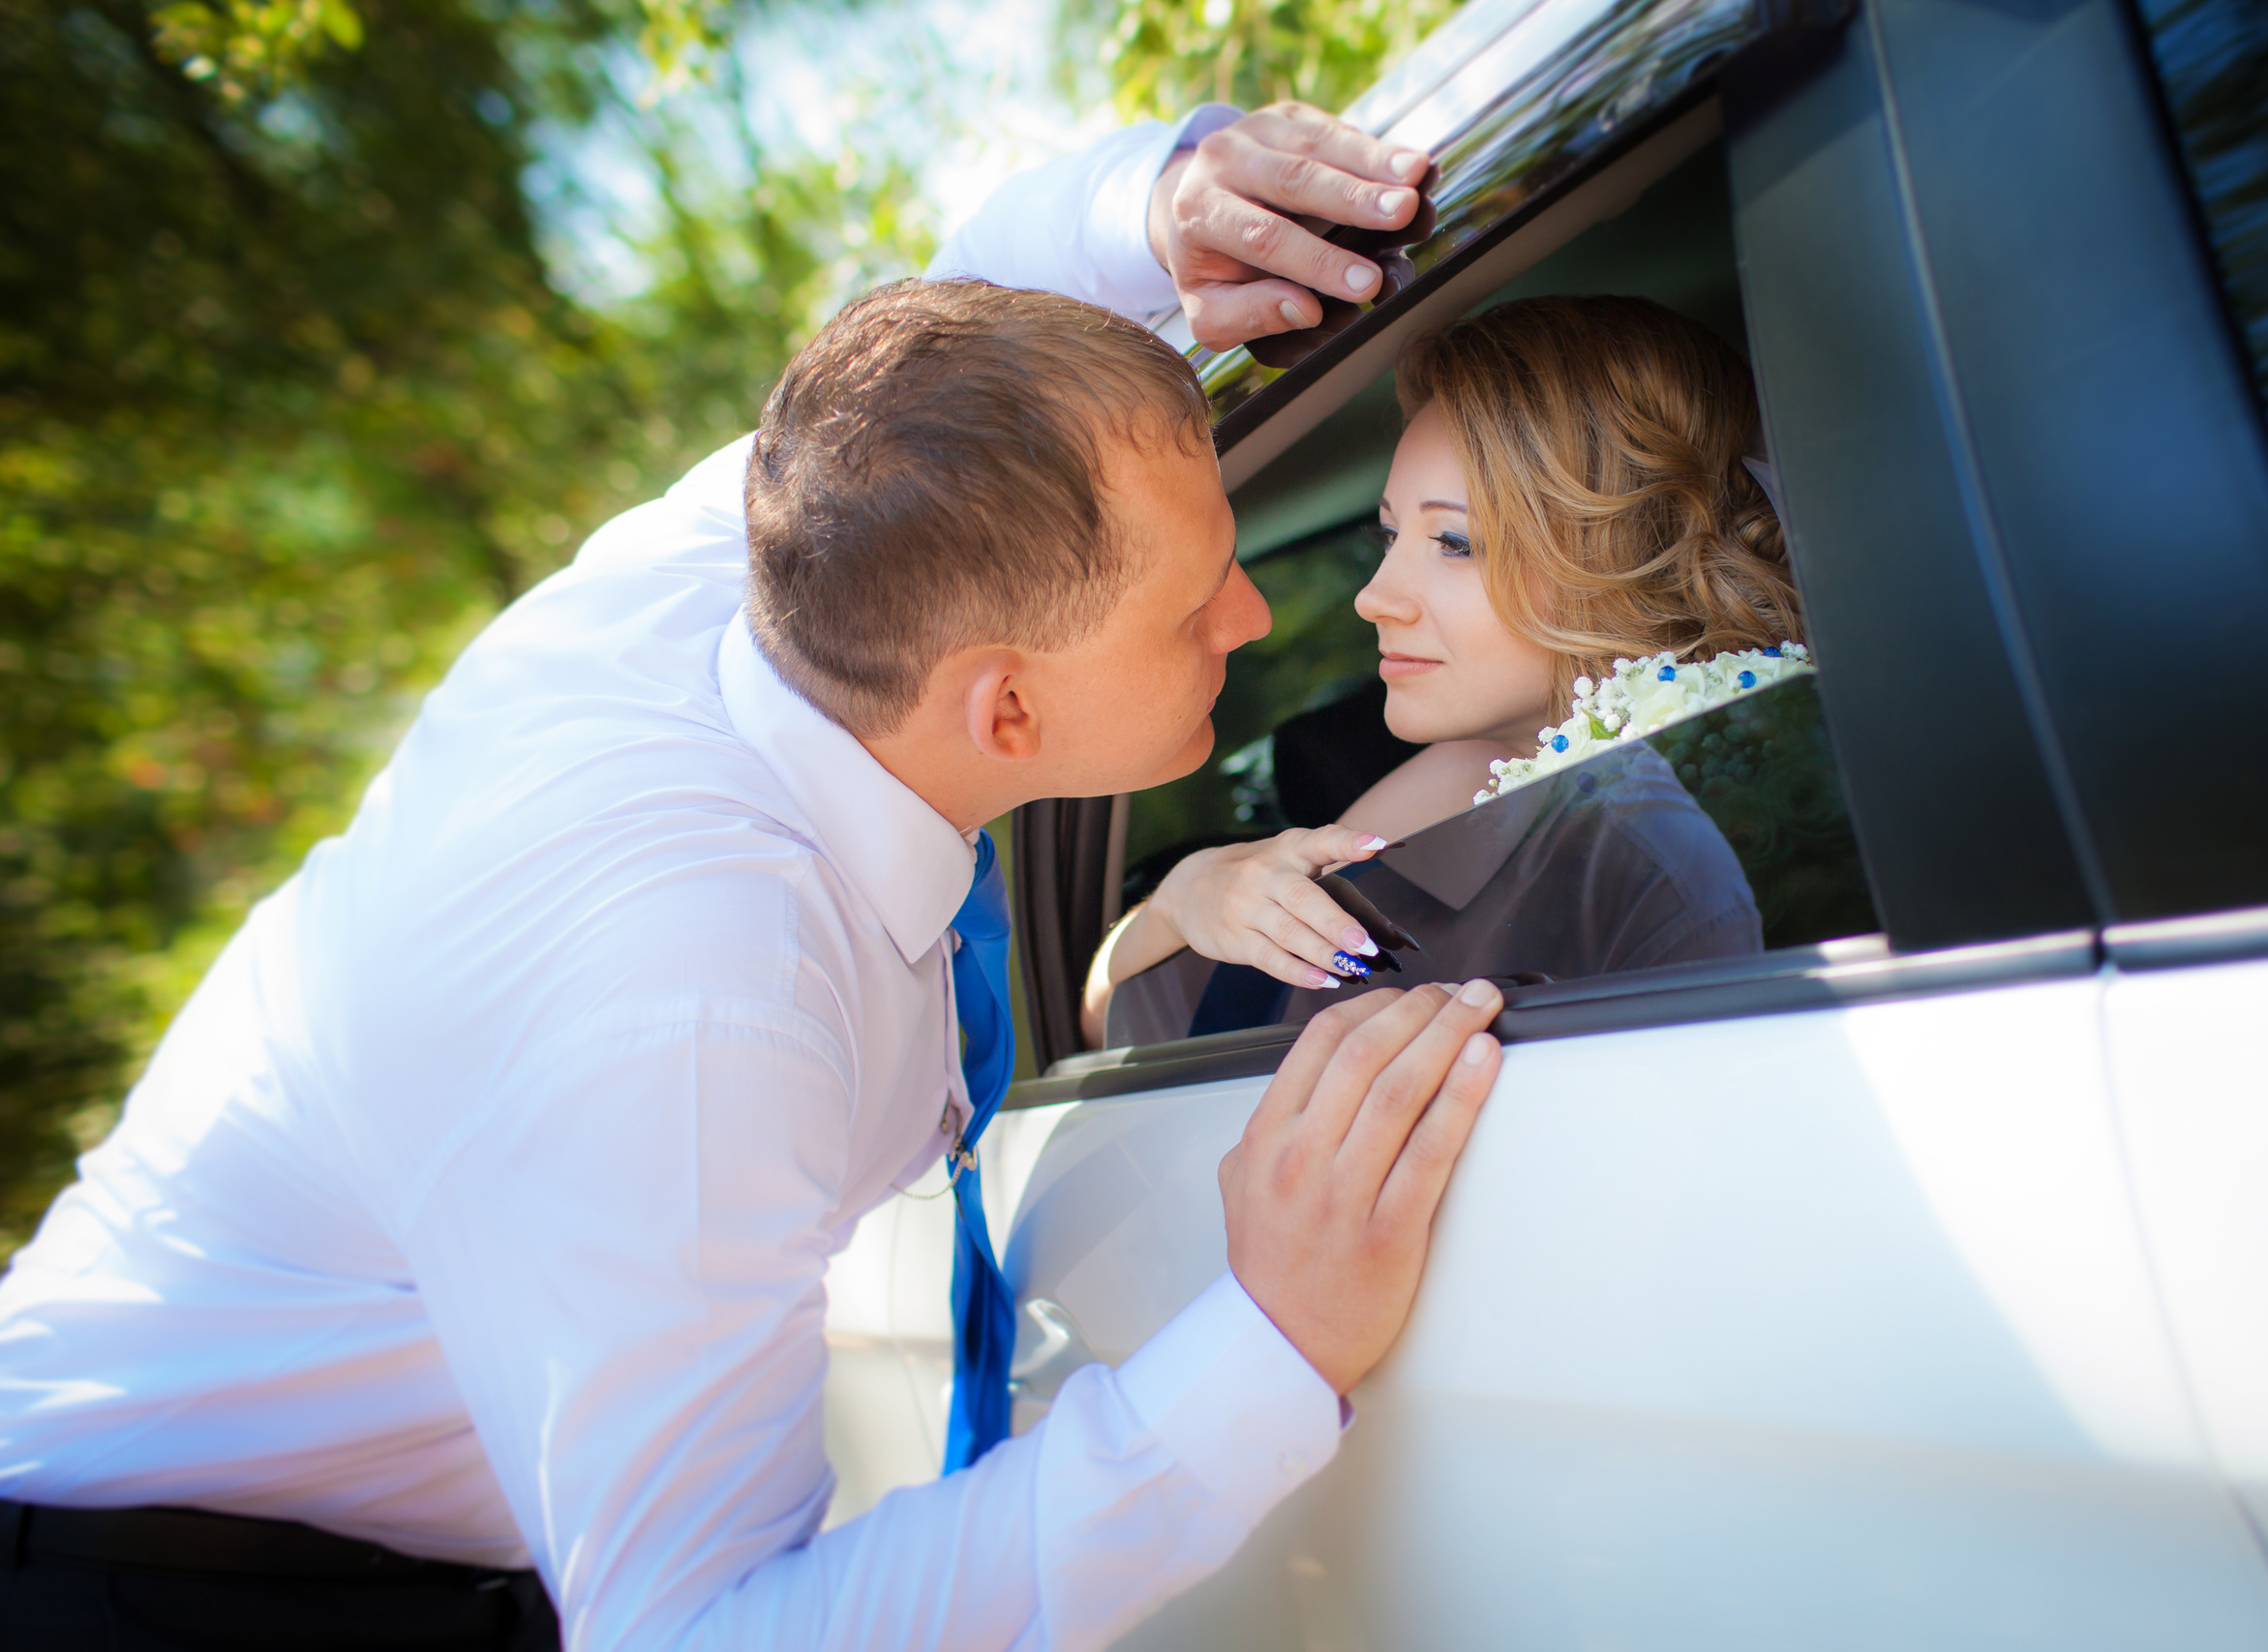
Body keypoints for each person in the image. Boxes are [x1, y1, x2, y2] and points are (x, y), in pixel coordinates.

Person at [0, 106, 1502, 1652]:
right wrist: (1272, 1346)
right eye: (1195, 601)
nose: (1253, 620)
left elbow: (960, 333)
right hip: (166, 1598)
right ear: (1005, 711)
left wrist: (1162, 203)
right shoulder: (690, 1003)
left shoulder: (803, 544)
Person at [1085, 295, 1804, 1047]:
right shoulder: (1474, 775)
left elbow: (1130, 1023)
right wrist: (1185, 896)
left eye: (1455, 543)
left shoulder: (1666, 862)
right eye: (1391, 535)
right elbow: (1127, 1021)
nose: (1374, 598)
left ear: (1618, 562)